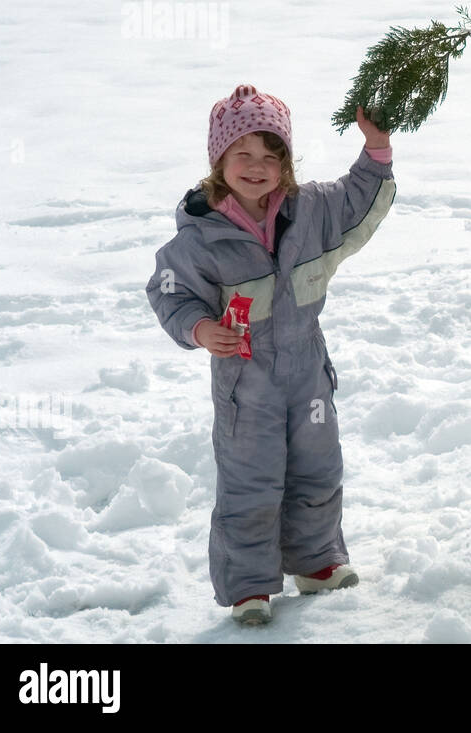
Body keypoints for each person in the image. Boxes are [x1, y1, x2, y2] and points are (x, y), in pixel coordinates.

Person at [146, 84, 395, 624]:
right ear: (219, 161)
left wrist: (376, 147)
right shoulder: (200, 238)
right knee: (251, 481)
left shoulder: (311, 213)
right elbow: (168, 290)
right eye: (244, 154)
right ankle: (249, 586)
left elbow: (359, 198)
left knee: (318, 468)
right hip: (246, 382)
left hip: (307, 370)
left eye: (271, 155)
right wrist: (200, 328)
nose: (257, 167)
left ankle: (317, 561)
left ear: (286, 162)